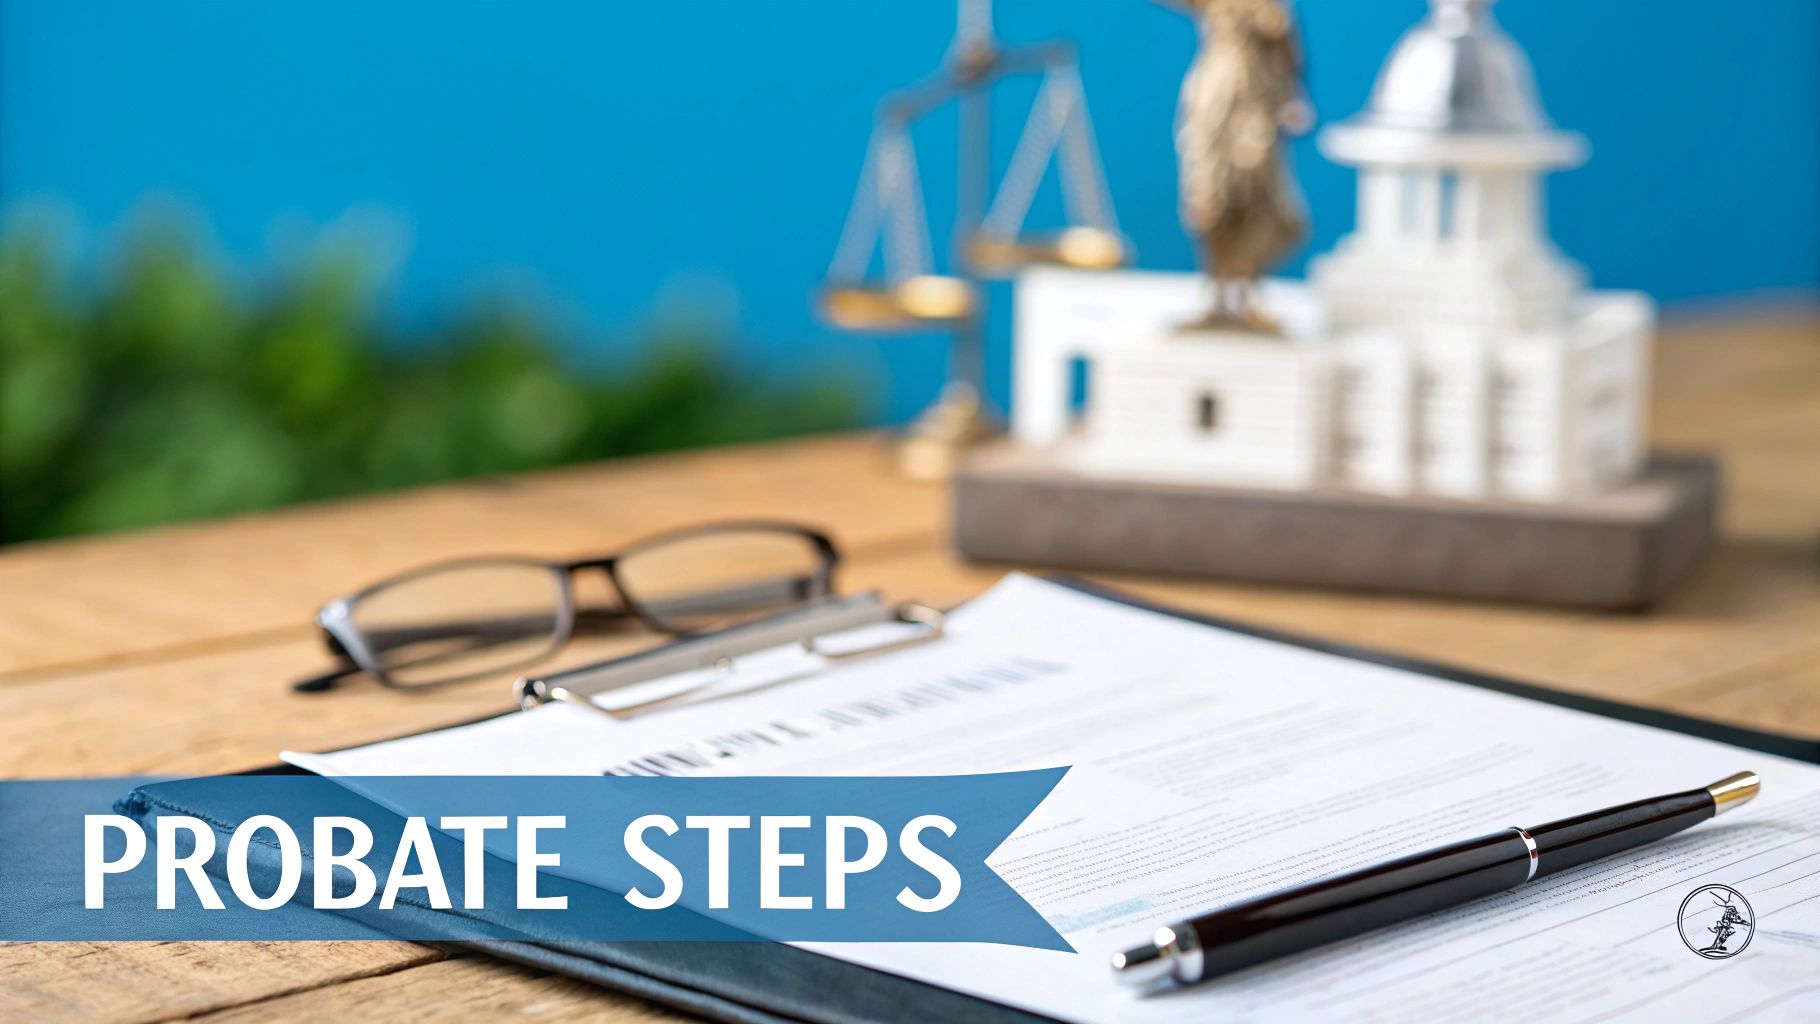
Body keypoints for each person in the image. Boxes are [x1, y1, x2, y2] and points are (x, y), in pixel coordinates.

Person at [1172, 0, 1311, 332]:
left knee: (1254, 194)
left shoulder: (1270, 11)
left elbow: (1287, 52)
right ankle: (1217, 295)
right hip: (1215, 99)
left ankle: (1247, 295)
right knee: (1209, 197)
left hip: (1253, 103)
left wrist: (1290, 98)